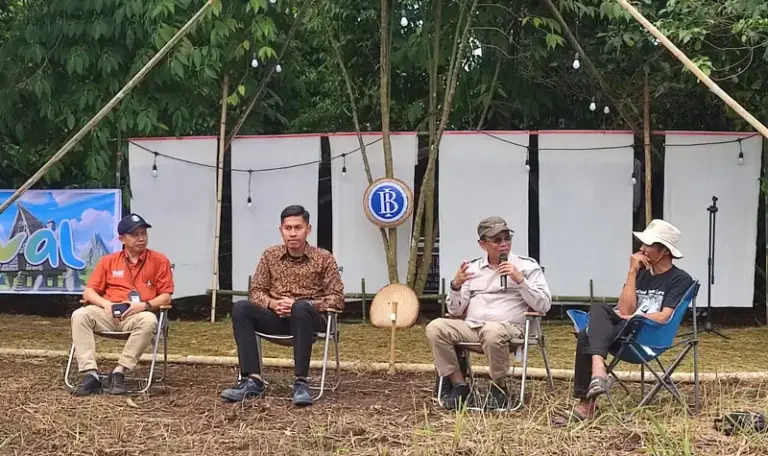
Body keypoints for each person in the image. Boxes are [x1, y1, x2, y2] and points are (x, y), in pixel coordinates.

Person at [569, 219, 694, 421]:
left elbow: (664, 317)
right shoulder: (641, 274)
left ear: (664, 250)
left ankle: (587, 403)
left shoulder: (680, 279)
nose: (641, 248)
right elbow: (624, 309)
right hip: (625, 332)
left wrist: (633, 317)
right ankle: (598, 370)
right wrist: (632, 272)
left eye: (648, 244)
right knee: (598, 310)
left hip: (647, 335)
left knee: (587, 334)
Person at [220, 205, 344, 407]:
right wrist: (273, 303)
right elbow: (256, 291)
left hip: (310, 321)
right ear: (281, 230)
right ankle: (253, 380)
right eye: (288, 228)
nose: (293, 233)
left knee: (301, 308)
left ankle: (301, 382)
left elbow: (337, 298)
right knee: (241, 307)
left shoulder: (324, 258)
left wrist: (300, 304)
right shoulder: (270, 256)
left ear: (308, 229)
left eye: (298, 228)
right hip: (277, 319)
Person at [425, 216, 552, 410]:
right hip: (473, 327)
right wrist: (456, 285)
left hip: (511, 329)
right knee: (435, 327)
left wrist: (520, 280)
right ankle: (459, 384)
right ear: (482, 244)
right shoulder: (472, 268)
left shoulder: (527, 266)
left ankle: (498, 387)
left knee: (492, 331)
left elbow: (544, 305)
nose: (504, 244)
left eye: (507, 238)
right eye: (497, 240)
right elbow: (455, 310)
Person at [71, 213, 174, 396]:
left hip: (138, 314)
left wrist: (143, 305)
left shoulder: (159, 261)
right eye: (135, 235)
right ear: (122, 239)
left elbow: (166, 297)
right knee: (80, 315)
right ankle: (90, 375)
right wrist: (106, 304)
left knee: (150, 320)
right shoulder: (108, 261)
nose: (141, 238)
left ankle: (119, 372)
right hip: (109, 313)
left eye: (144, 233)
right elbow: (88, 292)